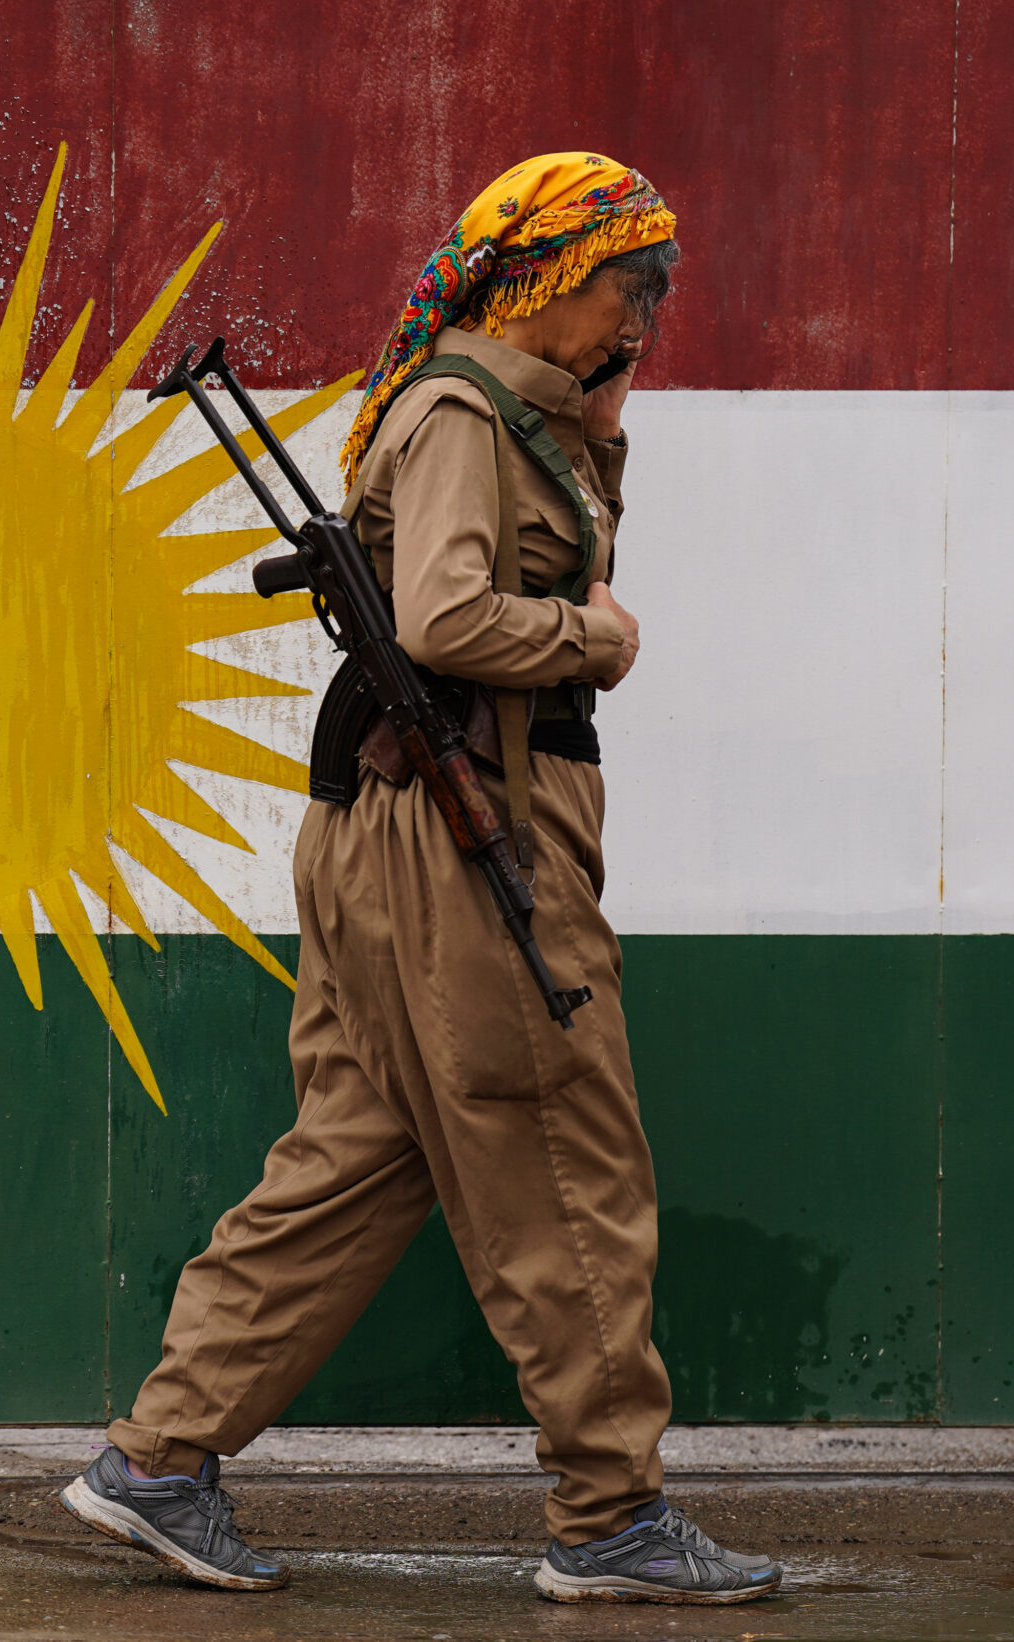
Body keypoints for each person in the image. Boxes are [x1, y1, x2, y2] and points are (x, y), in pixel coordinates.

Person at [60, 154, 784, 1606]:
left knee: (357, 1158)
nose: (643, 316)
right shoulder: (465, 414)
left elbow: (506, 559)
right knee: (568, 1158)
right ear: (560, 278)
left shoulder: (500, 407)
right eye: (630, 289)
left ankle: (160, 1459)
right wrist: (596, 640)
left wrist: (602, 422)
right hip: (469, 835)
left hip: (405, 829)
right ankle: (611, 1514)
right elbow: (453, 613)